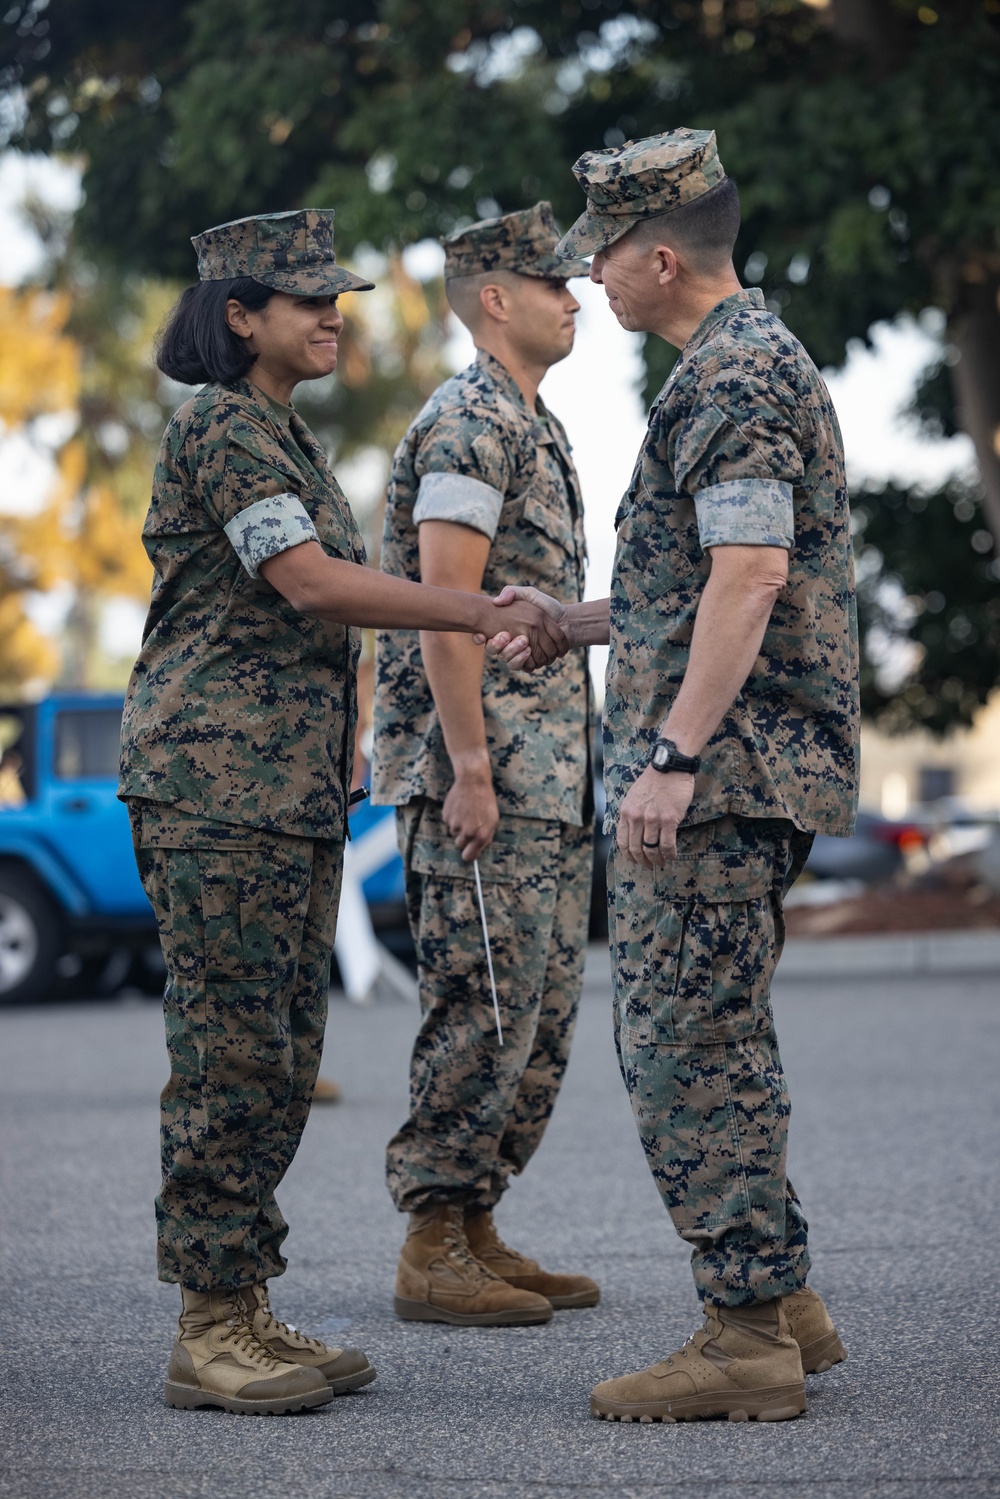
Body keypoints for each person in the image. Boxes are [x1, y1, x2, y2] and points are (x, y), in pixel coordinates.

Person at [119, 209, 566, 1416]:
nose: (332, 316)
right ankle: (208, 1324)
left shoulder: (280, 432)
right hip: (213, 786)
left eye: (338, 297)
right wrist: (474, 611)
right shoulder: (221, 424)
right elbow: (308, 584)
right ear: (237, 316)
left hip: (280, 787)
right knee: (230, 1057)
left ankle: (245, 1304)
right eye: (305, 299)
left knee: (277, 1057)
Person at [486, 130, 860, 1422]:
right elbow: (703, 578)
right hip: (737, 765)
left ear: (660, 255)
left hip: (721, 776)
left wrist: (673, 755)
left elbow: (754, 576)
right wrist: (575, 619)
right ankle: (785, 1299)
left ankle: (746, 1330)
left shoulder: (736, 376)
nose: (588, 276)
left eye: (599, 252)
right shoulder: (738, 361)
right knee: (721, 1036)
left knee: (682, 1046)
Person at [371, 203, 600, 1326]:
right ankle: (430, 1240)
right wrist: (467, 765)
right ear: (494, 299)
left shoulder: (531, 421)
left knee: (538, 1018)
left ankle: (474, 1221)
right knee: (483, 1007)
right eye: (555, 282)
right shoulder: (468, 421)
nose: (577, 297)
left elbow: (529, 614)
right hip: (487, 777)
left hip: (545, 777)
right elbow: (443, 609)